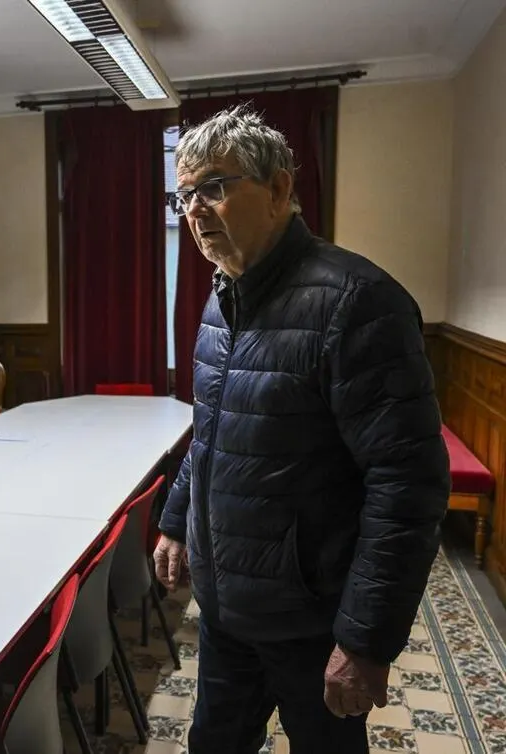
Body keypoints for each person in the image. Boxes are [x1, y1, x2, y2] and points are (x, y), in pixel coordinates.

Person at [153, 103, 450, 753]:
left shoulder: (357, 301)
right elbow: (211, 431)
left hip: (311, 620)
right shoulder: (221, 297)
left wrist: (366, 639)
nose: (195, 209)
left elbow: (406, 483)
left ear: (279, 188)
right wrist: (176, 521)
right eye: (184, 195)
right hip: (227, 607)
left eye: (215, 186)